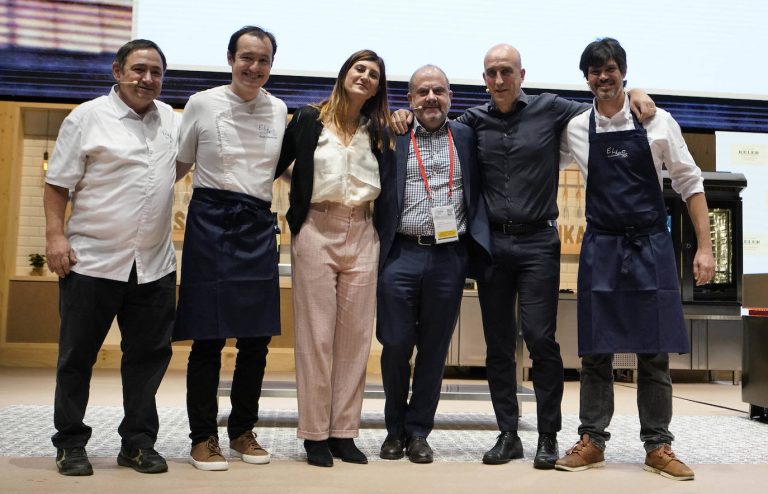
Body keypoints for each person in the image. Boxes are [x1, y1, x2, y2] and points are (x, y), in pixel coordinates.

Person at [391, 43, 655, 469]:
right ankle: (508, 433)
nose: (499, 80)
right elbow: (430, 118)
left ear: (522, 74)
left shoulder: (552, 109)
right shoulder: (471, 121)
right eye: (492, 73)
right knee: (498, 345)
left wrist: (636, 90)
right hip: (491, 246)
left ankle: (547, 435)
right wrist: (400, 115)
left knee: (539, 338)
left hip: (538, 244)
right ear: (484, 79)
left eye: (506, 72)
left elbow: (603, 104)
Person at [554, 37, 714, 481]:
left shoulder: (658, 121)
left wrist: (705, 246)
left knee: (654, 350)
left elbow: (689, 183)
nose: (602, 77)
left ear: (624, 71)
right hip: (601, 245)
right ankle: (592, 441)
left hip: (650, 245)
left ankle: (659, 445)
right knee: (595, 351)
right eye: (594, 70)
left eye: (610, 69)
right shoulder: (576, 128)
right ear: (585, 77)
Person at [44, 39, 179, 476]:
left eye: (156, 72)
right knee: (77, 357)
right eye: (139, 69)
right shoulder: (86, 117)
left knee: (147, 359)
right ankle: (70, 443)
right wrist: (54, 238)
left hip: (153, 266)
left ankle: (137, 443)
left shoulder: (170, 121)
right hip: (93, 261)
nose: (148, 79)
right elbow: (57, 185)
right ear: (117, 71)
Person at [172, 26, 287, 471]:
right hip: (210, 219)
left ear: (271, 66)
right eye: (247, 58)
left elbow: (276, 170)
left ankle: (242, 431)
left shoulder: (278, 109)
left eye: (263, 61)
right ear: (230, 58)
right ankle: (203, 437)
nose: (254, 67)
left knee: (256, 338)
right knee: (208, 337)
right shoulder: (202, 102)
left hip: (257, 222)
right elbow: (180, 163)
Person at [275, 49, 395, 467]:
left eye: (374, 74)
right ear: (345, 73)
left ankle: (344, 432)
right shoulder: (310, 119)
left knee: (356, 339)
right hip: (316, 229)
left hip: (362, 231)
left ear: (379, 87)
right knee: (316, 337)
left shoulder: (377, 129)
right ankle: (314, 435)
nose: (365, 76)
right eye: (359, 69)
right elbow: (276, 165)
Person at [375, 65, 492, 464]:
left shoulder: (466, 135)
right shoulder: (394, 133)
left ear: (450, 97)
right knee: (394, 344)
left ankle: (418, 432)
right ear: (409, 99)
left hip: (449, 256)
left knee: (434, 349)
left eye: (438, 91)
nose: (430, 98)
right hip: (401, 254)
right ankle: (393, 430)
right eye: (422, 92)